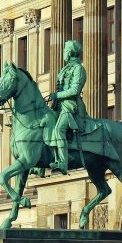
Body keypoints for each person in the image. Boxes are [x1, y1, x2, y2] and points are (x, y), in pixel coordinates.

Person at [46, 39, 88, 174]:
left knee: (59, 130)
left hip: (71, 106)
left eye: (65, 50)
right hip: (59, 105)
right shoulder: (65, 69)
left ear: (70, 52)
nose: (63, 52)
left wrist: (57, 96)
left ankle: (63, 163)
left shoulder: (79, 69)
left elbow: (75, 90)